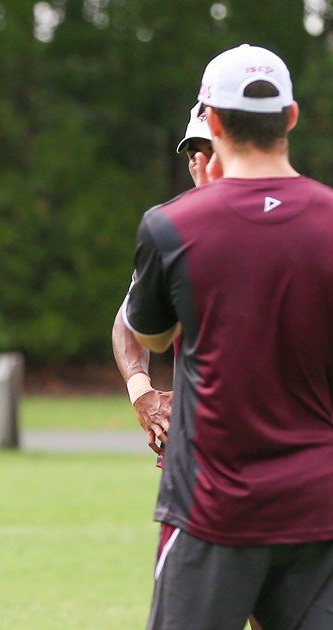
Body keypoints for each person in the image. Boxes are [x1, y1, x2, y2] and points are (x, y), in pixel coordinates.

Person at [124, 44, 333, 630]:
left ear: (210, 122)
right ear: (291, 117)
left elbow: (153, 338)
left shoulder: (171, 226)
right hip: (314, 511)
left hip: (207, 514)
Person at [112, 103, 217, 456]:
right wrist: (141, 391)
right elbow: (129, 319)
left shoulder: (283, 222)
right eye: (193, 152)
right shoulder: (171, 228)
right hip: (195, 450)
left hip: (275, 449)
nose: (198, 162)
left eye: (211, 149)